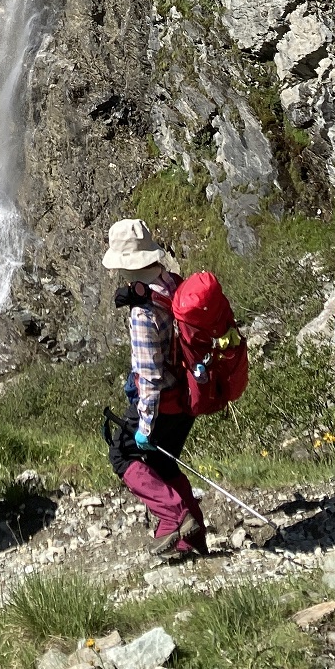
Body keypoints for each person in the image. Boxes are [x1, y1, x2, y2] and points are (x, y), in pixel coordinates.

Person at [103, 216, 208, 561]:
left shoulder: (142, 315)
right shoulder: (172, 283)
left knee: (124, 455)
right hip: (186, 395)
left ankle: (176, 516)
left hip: (162, 402)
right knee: (165, 465)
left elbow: (148, 376)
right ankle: (190, 540)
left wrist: (145, 426)